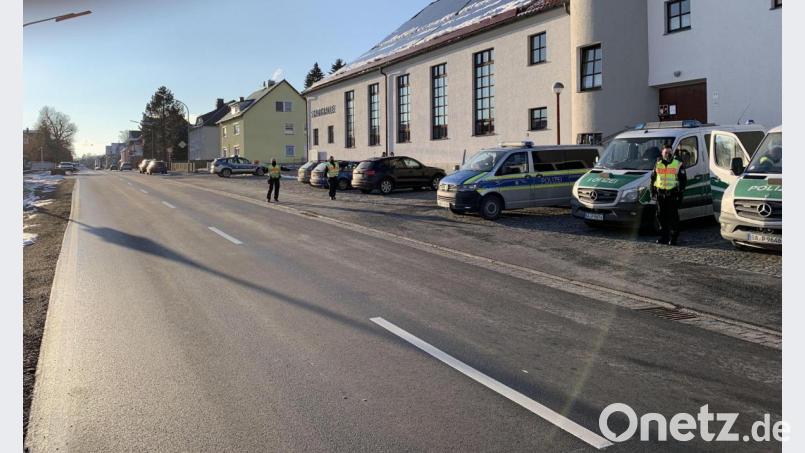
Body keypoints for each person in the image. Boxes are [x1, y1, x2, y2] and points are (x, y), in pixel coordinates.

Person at [651, 145, 687, 245]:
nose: (668, 154)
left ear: (672, 152)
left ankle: (674, 238)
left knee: (673, 217)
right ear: (662, 153)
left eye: (669, 152)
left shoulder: (677, 164)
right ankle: (664, 237)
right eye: (666, 152)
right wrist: (652, 191)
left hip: (672, 195)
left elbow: (683, 180)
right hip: (660, 195)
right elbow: (653, 178)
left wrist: (680, 194)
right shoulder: (658, 163)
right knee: (660, 216)